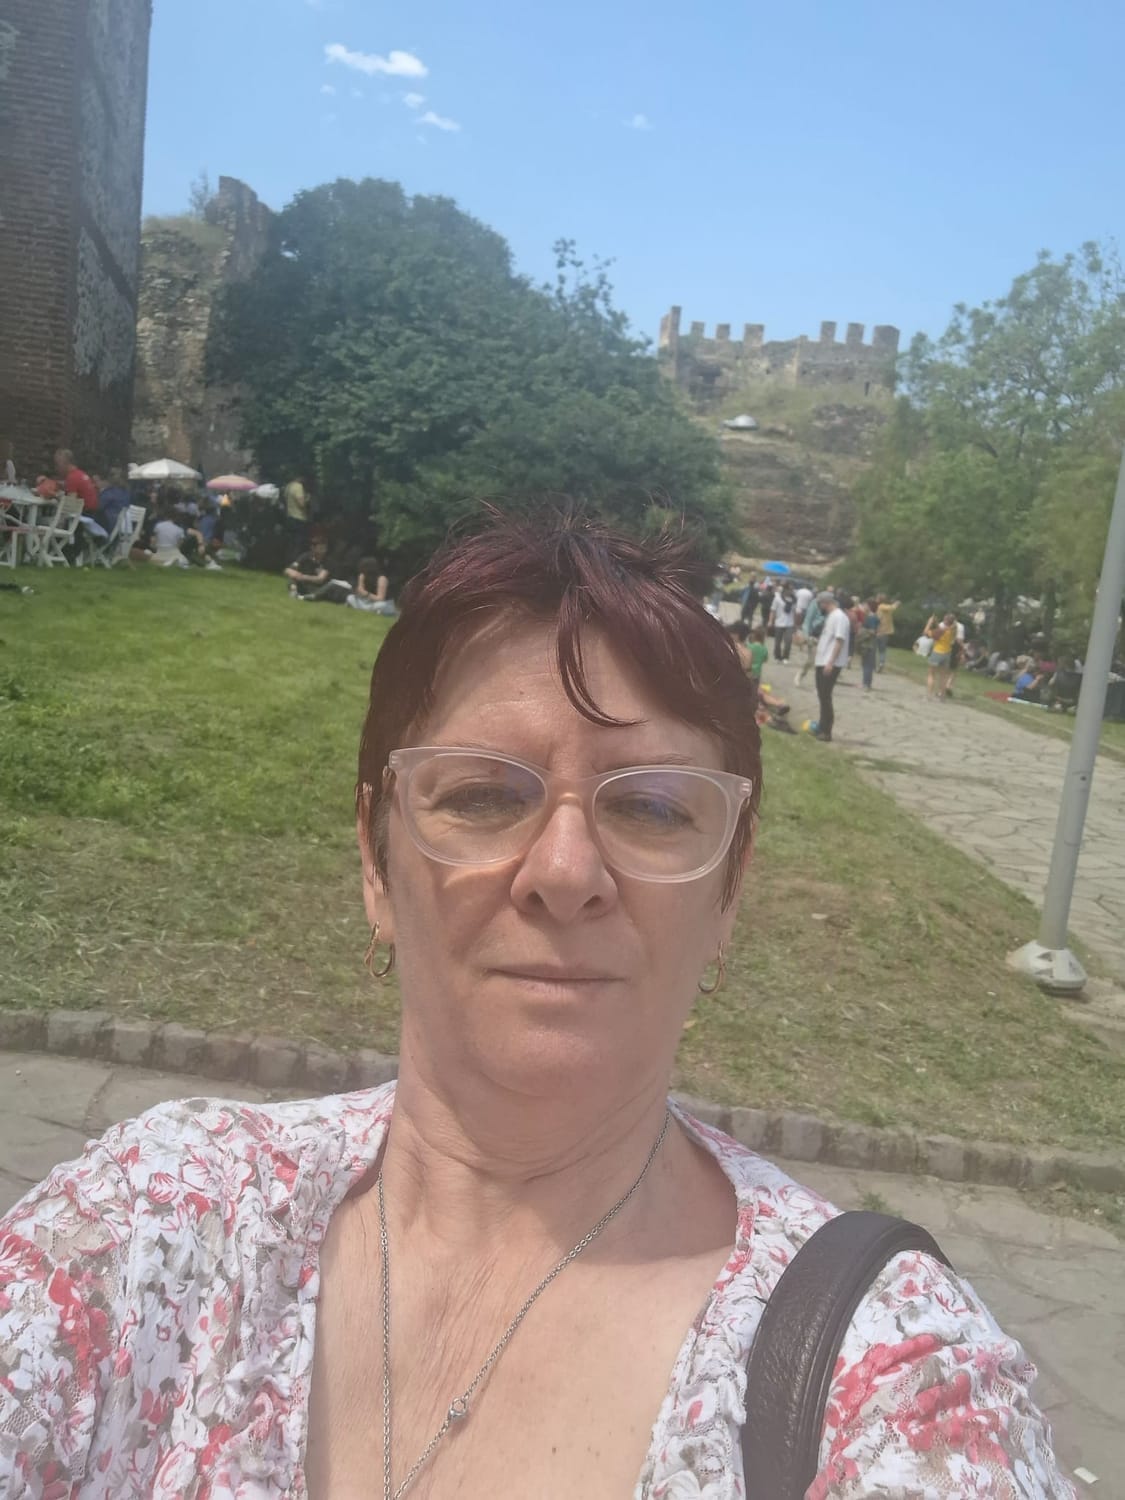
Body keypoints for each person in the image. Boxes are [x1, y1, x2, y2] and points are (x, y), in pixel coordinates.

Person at [0, 513, 1073, 1498]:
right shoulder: (150, 1234)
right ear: (376, 859)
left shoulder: (888, 1374)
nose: (564, 872)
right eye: (481, 795)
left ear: (728, 889)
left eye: (652, 807)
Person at [813, 589, 849, 741]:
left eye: (820, 604)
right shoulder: (831, 616)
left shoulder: (839, 617)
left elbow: (839, 640)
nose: (819, 607)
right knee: (822, 695)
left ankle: (826, 731)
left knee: (825, 696)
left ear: (826, 602)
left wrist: (830, 662)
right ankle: (821, 726)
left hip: (829, 662)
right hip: (822, 660)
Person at [794, 589, 825, 688]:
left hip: (824, 635)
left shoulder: (829, 608)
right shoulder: (814, 605)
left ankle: (821, 684)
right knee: (811, 660)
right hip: (813, 635)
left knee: (823, 661)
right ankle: (800, 674)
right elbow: (807, 621)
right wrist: (806, 637)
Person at [925, 612, 959, 700]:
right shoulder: (953, 630)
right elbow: (942, 629)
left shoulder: (941, 631)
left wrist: (929, 623)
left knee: (931, 674)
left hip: (937, 652)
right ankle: (942, 697)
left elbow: (926, 633)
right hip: (947, 653)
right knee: (943, 677)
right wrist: (936, 622)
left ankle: (929, 696)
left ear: (945, 620)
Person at [768, 582, 797, 661]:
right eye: (789, 589)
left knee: (788, 641)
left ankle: (785, 657)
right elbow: (773, 610)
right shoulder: (778, 598)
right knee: (778, 642)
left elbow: (794, 612)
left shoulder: (794, 600)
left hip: (790, 623)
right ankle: (777, 656)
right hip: (779, 622)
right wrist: (770, 621)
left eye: (792, 590)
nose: (791, 591)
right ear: (785, 589)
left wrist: (795, 624)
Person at [856, 598, 880, 691]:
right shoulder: (870, 616)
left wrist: (862, 631)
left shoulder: (871, 618)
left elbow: (873, 631)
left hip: (869, 643)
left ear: (869, 606)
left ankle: (866, 684)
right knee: (866, 663)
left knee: (867, 664)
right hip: (868, 643)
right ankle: (866, 683)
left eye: (865, 605)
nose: (864, 606)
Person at [874, 594, 900, 671]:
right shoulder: (887, 608)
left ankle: (875, 665)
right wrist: (896, 603)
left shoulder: (880, 606)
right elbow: (892, 607)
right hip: (885, 632)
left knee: (874, 649)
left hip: (878, 631)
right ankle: (881, 663)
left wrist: (895, 604)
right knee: (882, 650)